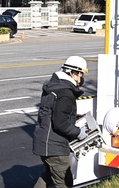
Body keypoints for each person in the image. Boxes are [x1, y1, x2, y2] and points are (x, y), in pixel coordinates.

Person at [32, 56, 89, 188]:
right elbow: (60, 123)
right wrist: (78, 132)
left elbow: (55, 113)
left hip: (44, 142)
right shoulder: (65, 93)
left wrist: (74, 117)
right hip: (54, 146)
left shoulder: (54, 87)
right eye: (81, 75)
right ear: (74, 73)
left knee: (49, 175)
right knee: (64, 182)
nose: (82, 79)